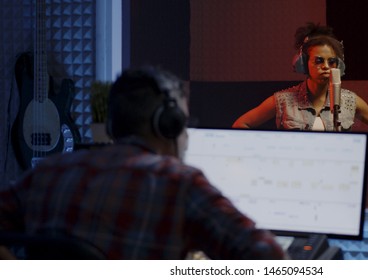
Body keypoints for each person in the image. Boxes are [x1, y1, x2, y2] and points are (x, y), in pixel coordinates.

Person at [0, 66, 287, 260]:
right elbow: (269, 257)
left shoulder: (49, 171)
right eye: (183, 123)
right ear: (169, 125)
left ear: (112, 122)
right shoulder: (180, 184)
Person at [232, 22, 368, 149]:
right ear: (304, 64)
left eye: (331, 61)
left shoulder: (348, 100)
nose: (326, 67)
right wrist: (269, 151)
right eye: (319, 61)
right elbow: (241, 124)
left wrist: (363, 150)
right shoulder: (283, 100)